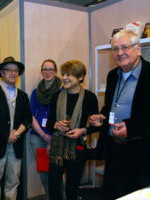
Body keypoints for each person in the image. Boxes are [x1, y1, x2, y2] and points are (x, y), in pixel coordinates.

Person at [89, 30, 150, 200]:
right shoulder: (113, 75)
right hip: (115, 151)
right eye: (115, 49)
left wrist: (132, 127)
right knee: (113, 194)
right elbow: (111, 107)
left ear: (138, 48)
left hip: (143, 156)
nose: (119, 53)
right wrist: (101, 117)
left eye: (125, 47)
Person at [46, 60, 99, 200]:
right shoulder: (57, 96)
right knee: (54, 187)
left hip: (78, 148)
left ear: (80, 77)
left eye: (69, 74)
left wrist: (82, 131)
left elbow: (96, 125)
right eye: (63, 74)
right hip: (57, 147)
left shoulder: (89, 97)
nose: (64, 78)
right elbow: (49, 122)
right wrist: (56, 125)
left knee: (72, 188)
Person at [0, 57, 32, 200]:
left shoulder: (23, 96)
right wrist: (6, 136)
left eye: (16, 70)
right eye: (9, 70)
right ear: (1, 72)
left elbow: (27, 118)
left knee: (13, 183)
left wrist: (17, 133)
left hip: (16, 145)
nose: (13, 73)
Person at [29, 59, 61, 200]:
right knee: (43, 171)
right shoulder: (36, 92)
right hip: (38, 136)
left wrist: (52, 137)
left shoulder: (62, 91)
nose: (48, 72)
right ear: (41, 72)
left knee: (58, 171)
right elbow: (30, 115)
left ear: (55, 71)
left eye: (51, 69)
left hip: (57, 136)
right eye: (45, 69)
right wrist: (44, 136)